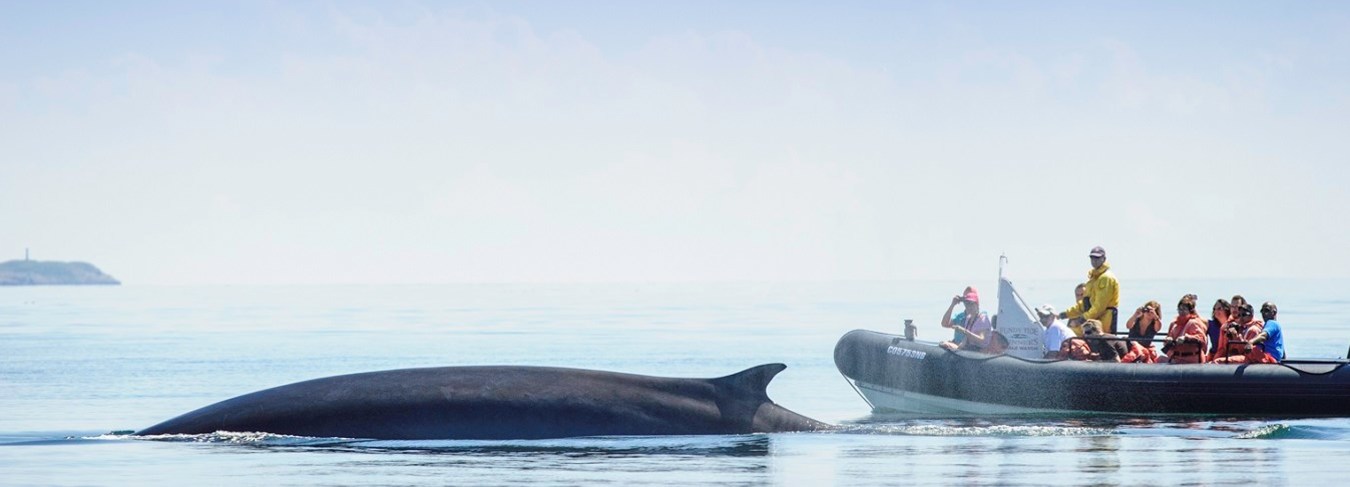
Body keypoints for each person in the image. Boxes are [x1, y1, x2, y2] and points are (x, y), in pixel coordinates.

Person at [1059, 246, 1120, 334]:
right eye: (1092, 258)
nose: (1094, 260)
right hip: (1092, 320)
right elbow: (1085, 303)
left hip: (1103, 322)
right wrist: (1064, 314)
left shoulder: (1106, 278)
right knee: (1070, 333)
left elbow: (1099, 306)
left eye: (1097, 258)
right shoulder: (1093, 279)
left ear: (1104, 259)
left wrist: (1082, 319)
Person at [939, 286, 993, 352]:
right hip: (967, 348)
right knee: (944, 344)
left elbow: (982, 339)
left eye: (971, 304)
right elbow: (944, 324)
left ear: (976, 304)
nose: (968, 306)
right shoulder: (967, 317)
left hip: (978, 351)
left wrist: (963, 330)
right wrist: (956, 349)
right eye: (966, 303)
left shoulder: (983, 318)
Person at [1162, 297, 1208, 364]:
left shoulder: (1194, 323)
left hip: (1191, 359)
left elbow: (1201, 338)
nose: (1181, 311)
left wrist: (1186, 338)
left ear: (1190, 311)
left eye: (1184, 309)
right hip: (1176, 358)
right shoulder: (1175, 324)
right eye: (1180, 309)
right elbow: (1167, 339)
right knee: (1159, 359)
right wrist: (1168, 340)